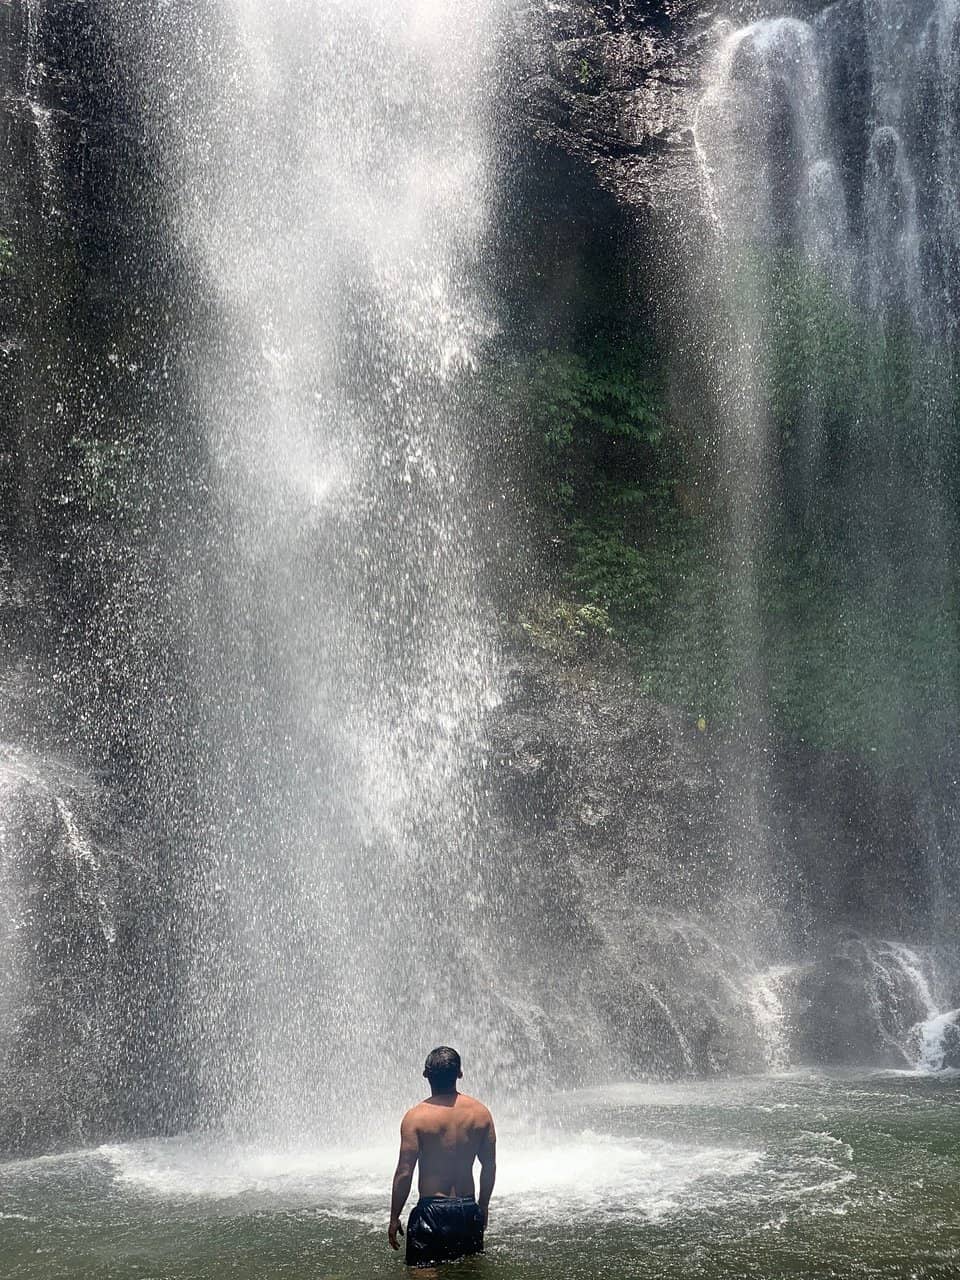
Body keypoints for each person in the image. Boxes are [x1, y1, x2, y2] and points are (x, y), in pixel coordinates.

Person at [388, 1046, 497, 1268]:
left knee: (423, 1272)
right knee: (468, 1273)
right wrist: (483, 1206)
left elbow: (404, 1172)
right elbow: (489, 1166)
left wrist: (393, 1217)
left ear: (425, 1074)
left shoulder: (415, 1117)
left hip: (431, 1211)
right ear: (460, 1074)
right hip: (468, 1209)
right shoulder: (481, 1113)